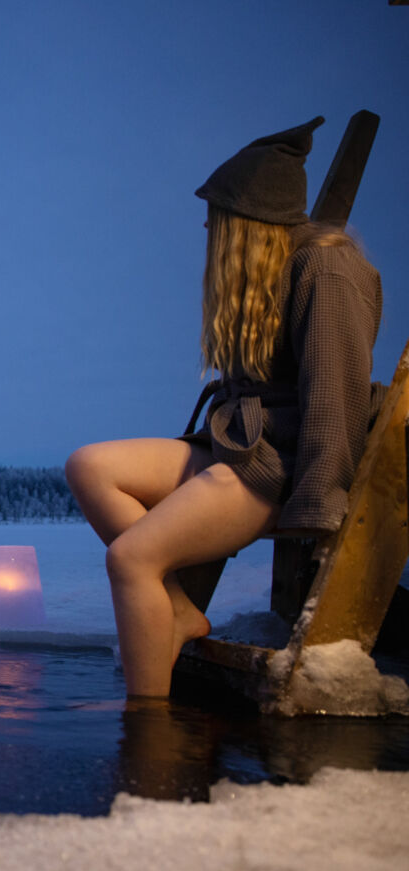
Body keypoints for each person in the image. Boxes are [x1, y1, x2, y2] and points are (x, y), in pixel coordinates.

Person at [65, 116, 383, 698]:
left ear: (253, 219)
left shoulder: (327, 270)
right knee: (89, 465)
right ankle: (178, 608)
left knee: (132, 560)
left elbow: (335, 399)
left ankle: (149, 730)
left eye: (221, 212)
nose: (209, 223)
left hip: (277, 469)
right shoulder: (270, 276)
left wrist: (317, 505)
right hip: (240, 446)